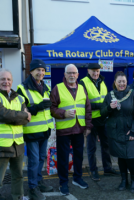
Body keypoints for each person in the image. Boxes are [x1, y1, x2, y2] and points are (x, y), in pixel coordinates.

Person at [0, 68, 31, 200]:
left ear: (12, 81)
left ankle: (18, 197)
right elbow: (1, 114)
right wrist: (20, 116)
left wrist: (8, 116)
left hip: (18, 144)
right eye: (2, 79)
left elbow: (25, 120)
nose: (6, 82)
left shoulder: (20, 98)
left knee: (18, 176)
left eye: (8, 79)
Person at [50, 64, 93, 196]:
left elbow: (87, 109)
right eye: (69, 73)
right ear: (64, 74)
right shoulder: (58, 88)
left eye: (74, 73)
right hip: (64, 129)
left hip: (79, 129)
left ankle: (77, 178)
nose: (72, 75)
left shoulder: (82, 89)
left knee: (79, 156)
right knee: (63, 158)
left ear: (78, 75)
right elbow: (51, 108)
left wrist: (88, 126)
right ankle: (63, 182)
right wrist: (63, 113)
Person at [17, 59, 54, 200]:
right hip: (32, 131)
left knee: (41, 158)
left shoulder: (45, 87)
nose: (41, 72)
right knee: (34, 160)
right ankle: (32, 188)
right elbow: (21, 111)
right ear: (31, 71)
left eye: (43, 70)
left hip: (45, 129)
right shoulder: (22, 88)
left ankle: (38, 181)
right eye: (38, 70)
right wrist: (37, 107)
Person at [101, 71, 134, 193]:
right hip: (116, 132)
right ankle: (124, 180)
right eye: (119, 81)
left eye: (124, 81)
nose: (121, 84)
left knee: (130, 158)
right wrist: (109, 108)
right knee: (121, 158)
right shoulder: (110, 95)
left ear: (126, 82)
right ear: (115, 82)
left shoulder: (133, 94)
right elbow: (102, 114)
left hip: (130, 131)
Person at [79, 63, 119, 181]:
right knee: (91, 147)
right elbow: (83, 103)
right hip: (91, 120)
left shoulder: (102, 82)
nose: (96, 73)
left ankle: (107, 168)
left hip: (103, 118)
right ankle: (93, 170)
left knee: (105, 145)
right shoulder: (83, 82)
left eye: (97, 71)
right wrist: (101, 106)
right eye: (93, 71)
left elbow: (106, 100)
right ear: (88, 71)